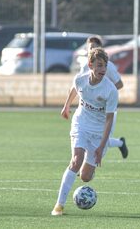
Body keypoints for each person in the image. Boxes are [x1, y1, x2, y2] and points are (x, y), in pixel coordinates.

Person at [51, 47, 118, 216]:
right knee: (76, 160)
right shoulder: (80, 79)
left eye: (105, 66)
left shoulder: (110, 90)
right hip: (81, 124)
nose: (103, 69)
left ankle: (88, 172)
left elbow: (109, 119)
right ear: (90, 65)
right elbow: (75, 88)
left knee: (85, 177)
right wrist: (66, 106)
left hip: (99, 131)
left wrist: (101, 146)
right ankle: (59, 206)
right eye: (99, 65)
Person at [79, 35, 128, 159]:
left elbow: (120, 84)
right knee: (84, 134)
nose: (92, 50)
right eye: (90, 47)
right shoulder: (86, 65)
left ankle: (120, 143)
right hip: (89, 109)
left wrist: (104, 94)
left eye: (95, 47)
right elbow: (78, 85)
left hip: (105, 109)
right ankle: (81, 163)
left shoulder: (108, 66)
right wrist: (67, 105)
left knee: (101, 139)